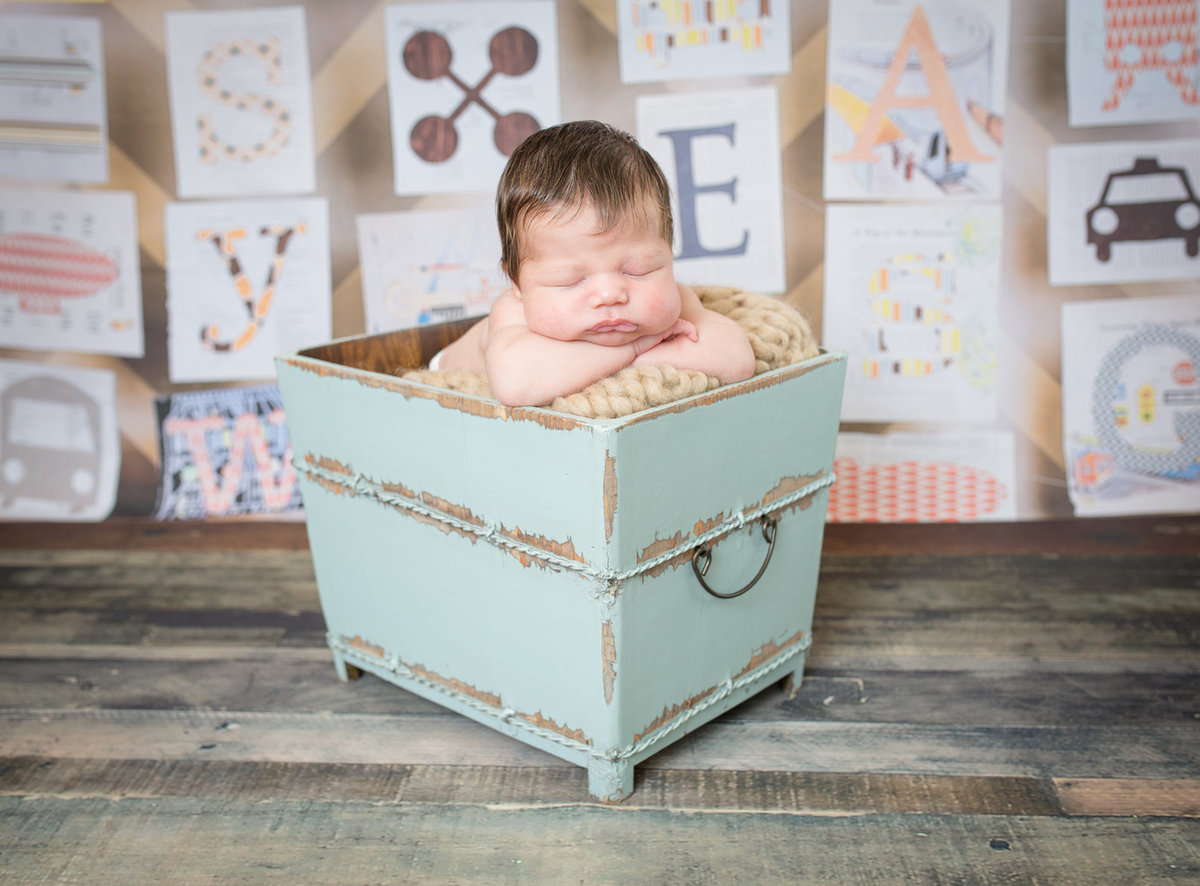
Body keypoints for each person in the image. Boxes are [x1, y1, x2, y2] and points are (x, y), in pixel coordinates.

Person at [433, 120, 756, 407]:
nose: (609, 295)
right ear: (517, 284)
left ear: (668, 256)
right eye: (570, 280)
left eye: (638, 270)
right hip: (439, 375)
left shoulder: (676, 299)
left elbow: (737, 357)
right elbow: (515, 385)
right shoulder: (513, 314)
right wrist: (634, 349)